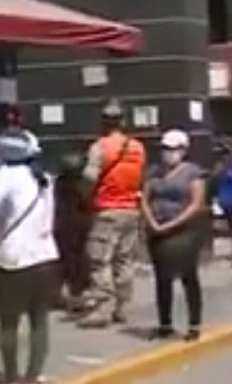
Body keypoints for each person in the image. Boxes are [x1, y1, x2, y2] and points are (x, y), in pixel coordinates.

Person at [0, 131, 59, 384]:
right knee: (39, 321)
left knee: (9, 322)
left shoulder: (4, 177)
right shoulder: (44, 178)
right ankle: (33, 378)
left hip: (14, 259)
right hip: (46, 256)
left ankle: (11, 378)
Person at [79, 99, 147, 328]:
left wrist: (84, 195)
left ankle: (102, 308)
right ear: (124, 121)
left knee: (100, 260)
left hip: (107, 210)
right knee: (124, 260)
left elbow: (90, 178)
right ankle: (122, 307)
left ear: (103, 122)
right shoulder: (138, 148)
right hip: (131, 209)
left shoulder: (100, 147)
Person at [142, 130, 208, 341]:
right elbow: (143, 198)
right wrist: (152, 222)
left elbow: (196, 204)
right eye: (165, 149)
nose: (168, 153)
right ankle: (165, 323)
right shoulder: (154, 173)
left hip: (184, 231)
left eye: (173, 149)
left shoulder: (193, 173)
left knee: (188, 276)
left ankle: (194, 324)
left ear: (183, 150)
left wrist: (172, 224)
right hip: (158, 230)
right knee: (162, 278)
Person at [53, 152, 91, 312]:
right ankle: (77, 295)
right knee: (78, 262)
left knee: (65, 262)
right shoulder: (83, 184)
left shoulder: (58, 184)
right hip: (78, 225)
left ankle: (67, 295)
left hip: (63, 225)